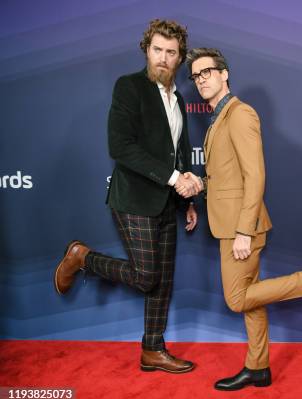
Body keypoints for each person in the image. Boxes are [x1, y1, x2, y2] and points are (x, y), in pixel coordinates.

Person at [186, 47, 302, 391]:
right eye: (196, 76)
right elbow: (226, 177)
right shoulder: (218, 118)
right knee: (251, 297)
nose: (201, 80)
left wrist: (244, 229)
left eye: (207, 72)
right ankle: (258, 368)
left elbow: (255, 175)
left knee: (237, 298)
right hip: (227, 221)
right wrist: (201, 187)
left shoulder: (241, 114)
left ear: (224, 73)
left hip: (241, 226)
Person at [53, 19, 204, 374]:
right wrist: (173, 179)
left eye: (171, 52)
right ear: (146, 50)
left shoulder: (178, 98)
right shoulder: (129, 87)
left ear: (179, 58)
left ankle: (153, 350)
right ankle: (81, 258)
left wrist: (187, 201)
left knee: (163, 281)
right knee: (146, 276)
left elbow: (180, 152)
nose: (163, 59)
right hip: (134, 198)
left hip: (168, 201)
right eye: (157, 51)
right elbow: (120, 146)